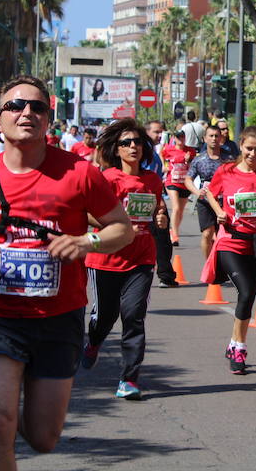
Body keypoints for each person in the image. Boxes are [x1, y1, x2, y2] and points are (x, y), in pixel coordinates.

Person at [0, 75, 132, 466]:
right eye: (15, 106)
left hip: (58, 318)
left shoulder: (79, 173)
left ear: (48, 120)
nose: (26, 113)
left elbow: (123, 228)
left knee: (43, 438)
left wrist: (86, 242)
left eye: (37, 107)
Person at [81, 119, 168, 400]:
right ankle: (93, 341)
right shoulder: (106, 179)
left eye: (138, 142)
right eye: (126, 143)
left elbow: (158, 206)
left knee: (133, 315)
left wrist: (161, 217)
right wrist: (114, 227)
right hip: (105, 258)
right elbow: (86, 213)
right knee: (105, 316)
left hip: (141, 257)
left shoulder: (152, 180)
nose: (133, 147)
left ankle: (129, 379)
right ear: (115, 150)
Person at [203, 126, 256, 374]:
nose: (253, 153)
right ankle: (240, 347)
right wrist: (219, 212)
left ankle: (233, 342)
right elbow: (210, 192)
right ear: (240, 145)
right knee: (244, 290)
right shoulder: (227, 171)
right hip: (231, 240)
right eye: (248, 148)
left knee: (248, 296)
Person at [185, 125, 234, 261]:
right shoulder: (199, 160)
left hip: (223, 203)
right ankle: (209, 264)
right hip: (205, 202)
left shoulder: (229, 159)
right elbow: (188, 179)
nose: (214, 139)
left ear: (221, 138)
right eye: (211, 136)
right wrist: (197, 192)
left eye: (216, 136)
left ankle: (223, 263)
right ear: (205, 139)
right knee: (207, 233)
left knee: (223, 235)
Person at [141, 120, 176, 288]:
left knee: (162, 239)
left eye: (161, 132)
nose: (160, 135)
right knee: (158, 239)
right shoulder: (143, 152)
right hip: (147, 201)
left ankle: (166, 274)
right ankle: (164, 275)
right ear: (146, 132)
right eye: (156, 132)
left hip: (155, 198)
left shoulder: (153, 153)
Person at [161, 129, 196, 246]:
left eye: (182, 137)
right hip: (172, 181)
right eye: (178, 137)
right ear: (174, 139)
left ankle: (173, 230)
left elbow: (193, 166)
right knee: (175, 207)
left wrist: (188, 160)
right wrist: (164, 166)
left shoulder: (190, 151)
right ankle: (175, 235)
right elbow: (161, 154)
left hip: (184, 183)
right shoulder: (168, 149)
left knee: (180, 211)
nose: (180, 139)